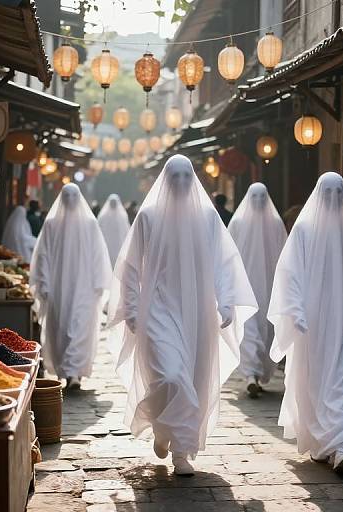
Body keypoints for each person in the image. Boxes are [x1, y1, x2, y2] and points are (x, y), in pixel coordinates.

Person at [108, 155, 257, 476]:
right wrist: (131, 308)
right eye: (174, 178)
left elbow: (223, 264)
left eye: (185, 178)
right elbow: (130, 267)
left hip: (198, 313)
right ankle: (162, 427)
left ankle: (180, 450)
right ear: (166, 180)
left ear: (193, 181)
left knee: (194, 378)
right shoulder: (148, 216)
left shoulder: (207, 217)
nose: (180, 184)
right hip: (157, 310)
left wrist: (227, 301)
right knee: (170, 376)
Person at [267, 172, 343, 472]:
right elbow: (290, 274)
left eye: (339, 194)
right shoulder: (305, 230)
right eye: (330, 194)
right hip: (315, 322)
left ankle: (342, 444)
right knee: (319, 381)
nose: (334, 199)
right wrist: (295, 310)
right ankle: (325, 442)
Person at [30, 184, 112, 390]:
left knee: (79, 326)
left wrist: (99, 282)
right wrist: (44, 282)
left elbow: (98, 255)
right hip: (58, 287)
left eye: (74, 196)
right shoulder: (51, 224)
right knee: (62, 327)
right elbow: (43, 256)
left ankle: (74, 374)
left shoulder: (89, 224)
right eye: (67, 196)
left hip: (85, 286)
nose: (71, 200)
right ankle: (66, 372)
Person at [228, 183, 287, 397]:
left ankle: (253, 375)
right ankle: (253, 374)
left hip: (258, 286)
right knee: (255, 328)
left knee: (255, 329)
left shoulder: (238, 222)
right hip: (260, 288)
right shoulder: (275, 222)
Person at [97, 194, 131, 268]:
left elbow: (127, 231)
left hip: (119, 245)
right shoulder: (102, 217)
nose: (113, 204)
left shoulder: (123, 216)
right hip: (106, 245)